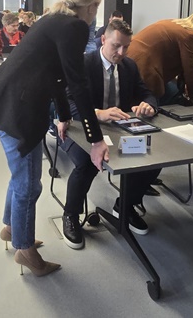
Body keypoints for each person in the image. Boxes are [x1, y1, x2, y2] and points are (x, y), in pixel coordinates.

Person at [0, 0, 108, 277]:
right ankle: (25, 250)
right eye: (96, 6)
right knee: (28, 184)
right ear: (91, 5)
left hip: (8, 103)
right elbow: (77, 83)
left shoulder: (53, 18)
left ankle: (12, 229)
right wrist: (96, 140)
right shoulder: (74, 26)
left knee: (22, 178)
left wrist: (63, 115)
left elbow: (55, 74)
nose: (95, 13)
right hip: (17, 111)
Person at [61, 19, 159, 249]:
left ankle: (125, 205)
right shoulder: (84, 63)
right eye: (116, 46)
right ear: (103, 40)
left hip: (118, 130)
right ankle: (71, 214)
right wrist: (98, 113)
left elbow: (147, 93)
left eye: (126, 47)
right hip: (83, 127)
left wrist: (149, 105)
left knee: (153, 160)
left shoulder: (129, 66)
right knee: (86, 163)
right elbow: (67, 102)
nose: (121, 52)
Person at [127, 8, 193, 105]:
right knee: (158, 103)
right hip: (145, 69)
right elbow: (190, 71)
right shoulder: (190, 35)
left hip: (128, 61)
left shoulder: (173, 23)